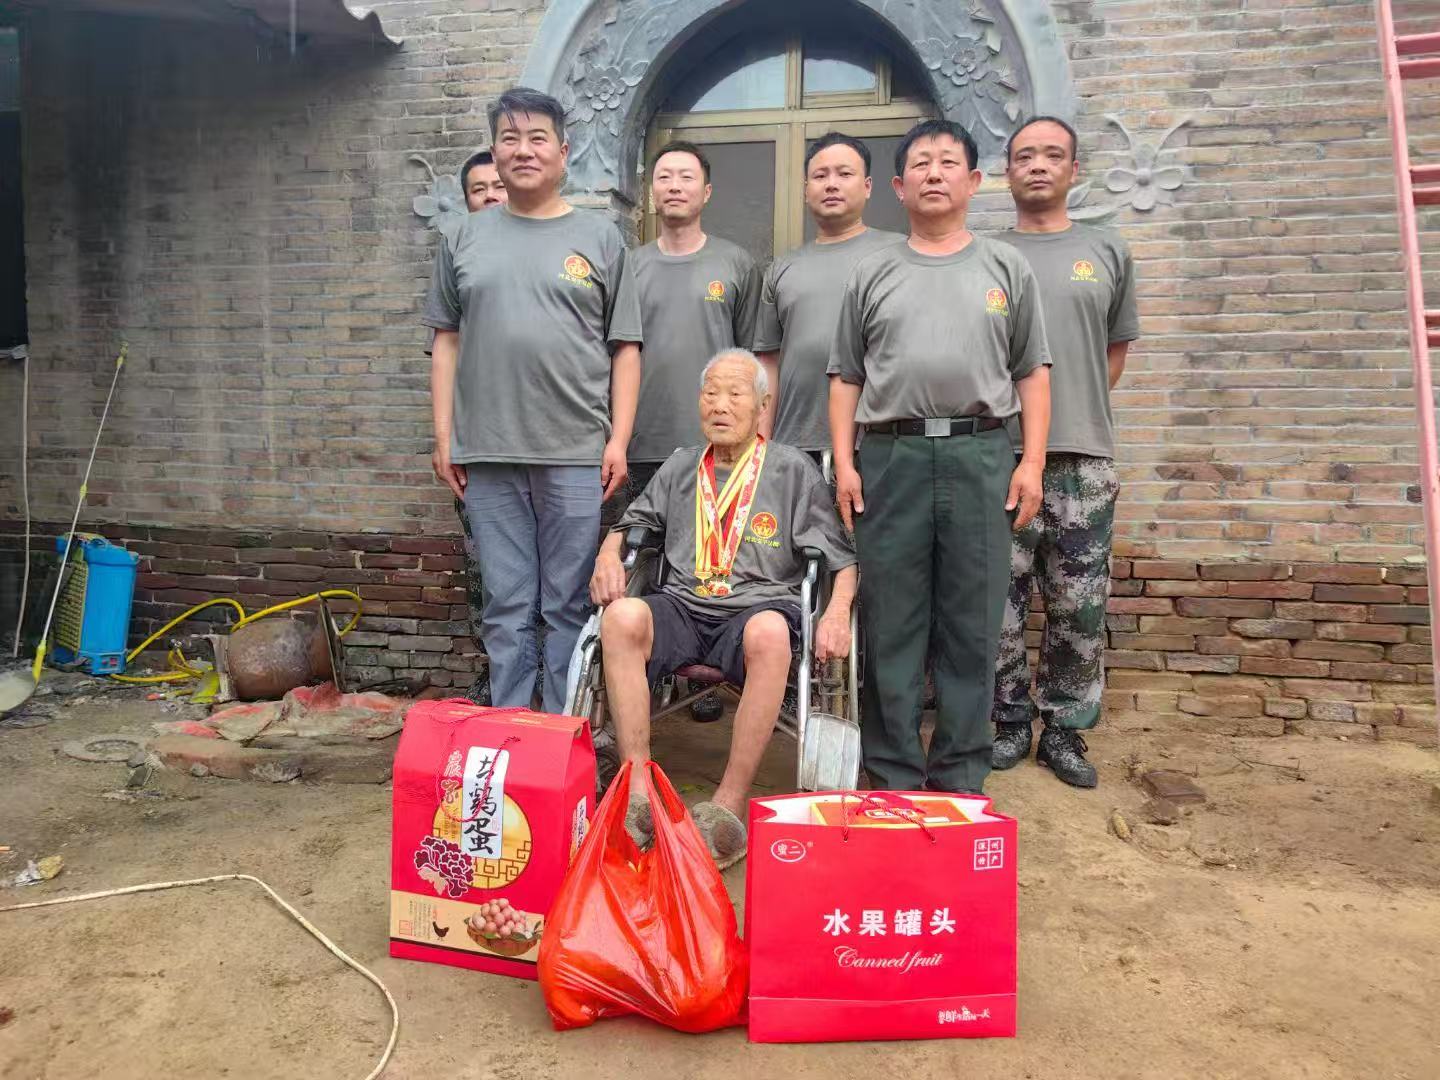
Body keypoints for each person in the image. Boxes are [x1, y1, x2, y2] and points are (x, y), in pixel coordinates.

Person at [828, 118, 1052, 796]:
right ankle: (893, 772)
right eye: (920, 163)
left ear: (974, 180)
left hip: (980, 454)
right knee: (891, 620)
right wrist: (845, 462)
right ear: (898, 187)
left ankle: (959, 774)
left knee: (972, 621)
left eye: (948, 161)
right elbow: (845, 376)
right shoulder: (872, 271)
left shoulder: (1005, 268)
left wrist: (1031, 462)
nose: (934, 173)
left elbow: (1032, 371)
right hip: (890, 456)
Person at [591, 349, 858, 868]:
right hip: (684, 604)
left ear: (762, 405)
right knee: (620, 617)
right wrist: (608, 554)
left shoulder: (792, 470)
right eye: (711, 393)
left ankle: (729, 804)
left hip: (757, 609)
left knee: (771, 632)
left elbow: (840, 559)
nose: (720, 405)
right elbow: (630, 524)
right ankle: (638, 790)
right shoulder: (680, 465)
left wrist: (837, 611)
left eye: (735, 394)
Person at [424, 87, 642, 714]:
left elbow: (626, 347)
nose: (524, 150)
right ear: (494, 150)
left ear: (563, 152)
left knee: (567, 604)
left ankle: (562, 733)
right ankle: (510, 731)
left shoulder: (600, 237)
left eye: (537, 138)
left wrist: (618, 439)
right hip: (487, 451)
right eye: (510, 138)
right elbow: (445, 342)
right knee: (507, 604)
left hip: (574, 450)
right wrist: (444, 436)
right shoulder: (463, 237)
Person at [989, 116, 1140, 788]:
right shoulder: (987, 255)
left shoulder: (1105, 250)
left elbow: (1113, 355)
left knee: (1079, 603)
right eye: (1025, 156)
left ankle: (1064, 731)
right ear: (1007, 172)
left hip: (1083, 457)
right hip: (999, 453)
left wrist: (1068, 412)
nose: (1038, 166)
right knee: (998, 600)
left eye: (1053, 155)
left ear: (1074, 170)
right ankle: (1007, 720)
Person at [609, 140, 761, 723]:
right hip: (645, 445)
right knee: (648, 563)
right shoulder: (630, 267)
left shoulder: (737, 264)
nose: (674, 186)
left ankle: (710, 679)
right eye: (664, 177)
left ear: (706, 191)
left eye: (687, 177)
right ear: (651, 191)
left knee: (715, 562)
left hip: (719, 454)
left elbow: (753, 361)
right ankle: (651, 679)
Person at [755, 132, 902, 452]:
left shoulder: (900, 255)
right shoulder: (782, 268)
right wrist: (761, 445)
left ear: (868, 186)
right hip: (794, 443)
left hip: (880, 444)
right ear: (806, 190)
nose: (831, 184)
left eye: (844, 174)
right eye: (820, 176)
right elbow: (768, 362)